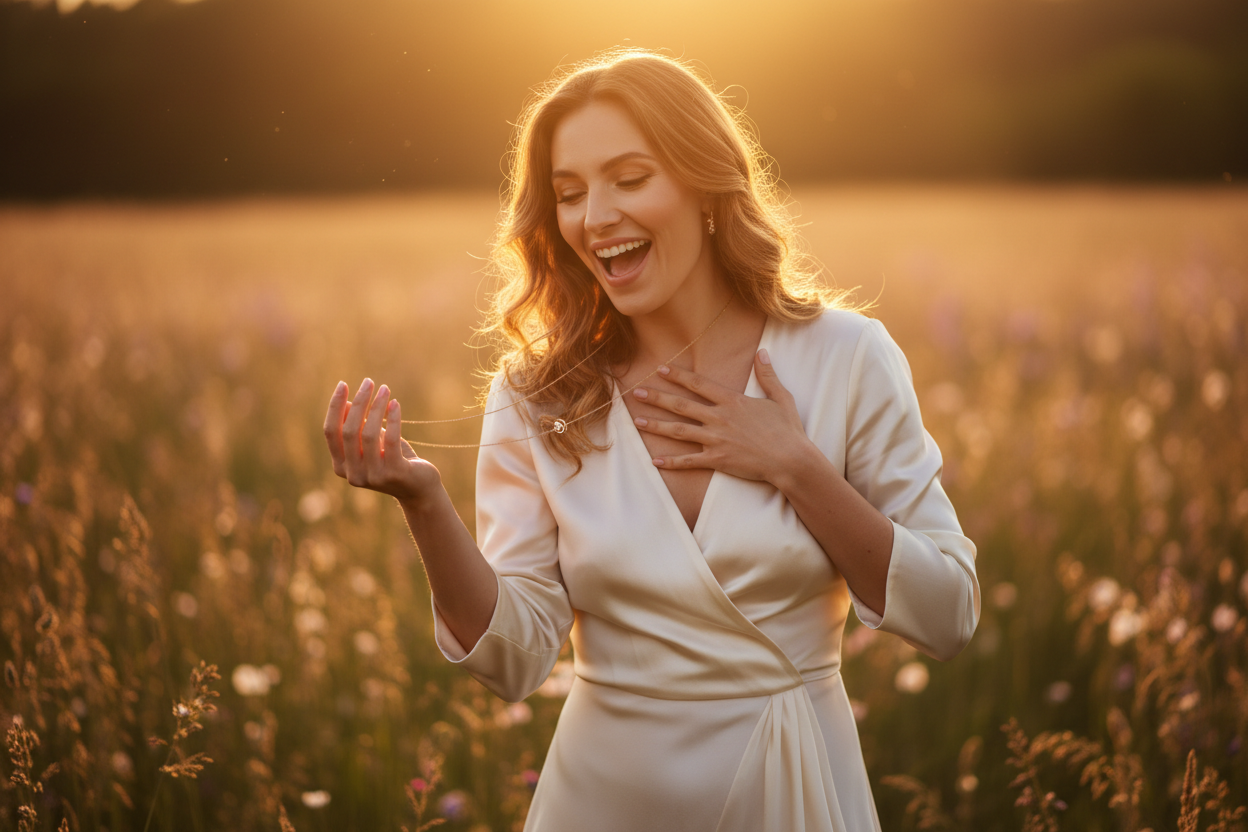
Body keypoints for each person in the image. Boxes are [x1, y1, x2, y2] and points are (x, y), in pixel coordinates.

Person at [323, 49, 979, 832]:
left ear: (706, 186)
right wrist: (425, 503)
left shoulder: (846, 358)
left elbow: (948, 614)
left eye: (629, 179)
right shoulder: (539, 394)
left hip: (793, 789)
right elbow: (514, 659)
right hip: (601, 802)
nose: (595, 216)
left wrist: (797, 467)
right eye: (569, 193)